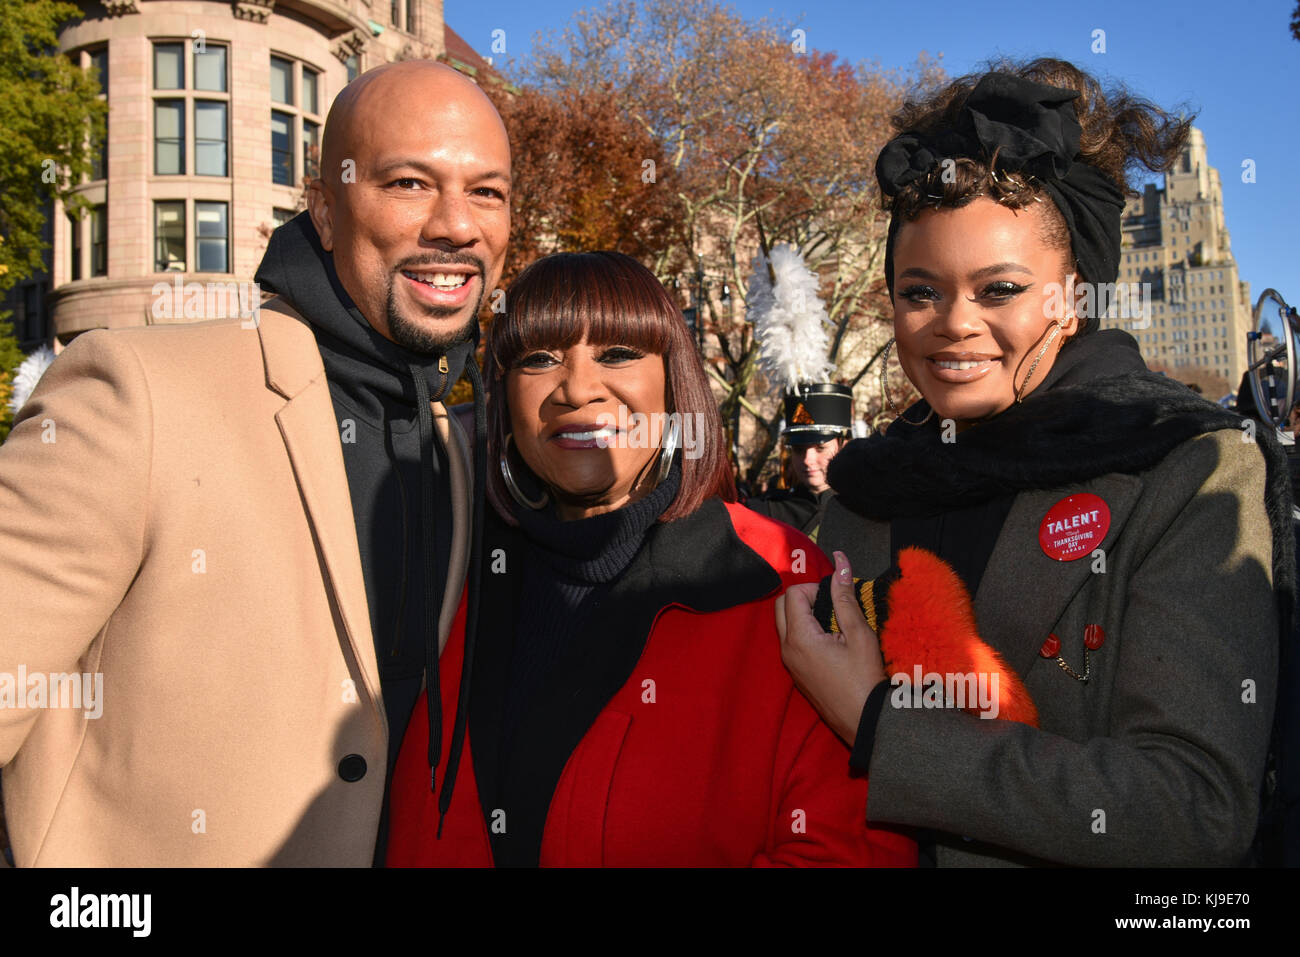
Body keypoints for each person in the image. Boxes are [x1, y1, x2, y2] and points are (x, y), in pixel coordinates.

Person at [776, 58, 1293, 866]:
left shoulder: (1186, 469)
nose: (953, 324)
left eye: (999, 289)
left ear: (1072, 293)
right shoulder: (861, 496)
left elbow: (1192, 805)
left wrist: (884, 729)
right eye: (919, 291)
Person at [0, 60, 506, 866]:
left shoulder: (468, 440)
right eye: (410, 183)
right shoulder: (136, 390)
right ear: (327, 212)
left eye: (488, 192)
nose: (457, 224)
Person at [385, 251, 916, 867]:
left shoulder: (781, 577)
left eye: (617, 354)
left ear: (674, 385)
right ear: (503, 399)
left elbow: (854, 851)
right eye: (538, 358)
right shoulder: (449, 569)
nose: (577, 388)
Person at [744, 383, 851, 539]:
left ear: (844, 447)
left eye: (820, 448)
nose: (808, 460)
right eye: (798, 449)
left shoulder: (865, 513)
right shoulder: (764, 512)